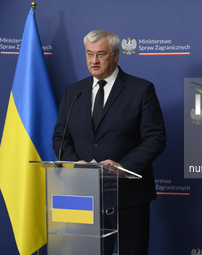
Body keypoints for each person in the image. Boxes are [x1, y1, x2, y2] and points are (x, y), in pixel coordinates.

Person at [52, 30, 166, 254]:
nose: (94, 61)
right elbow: (60, 137)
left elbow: (155, 138)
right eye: (89, 54)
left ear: (115, 55)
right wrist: (77, 165)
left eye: (101, 54)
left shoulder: (141, 89)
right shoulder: (73, 91)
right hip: (82, 194)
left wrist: (122, 167)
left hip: (128, 196)